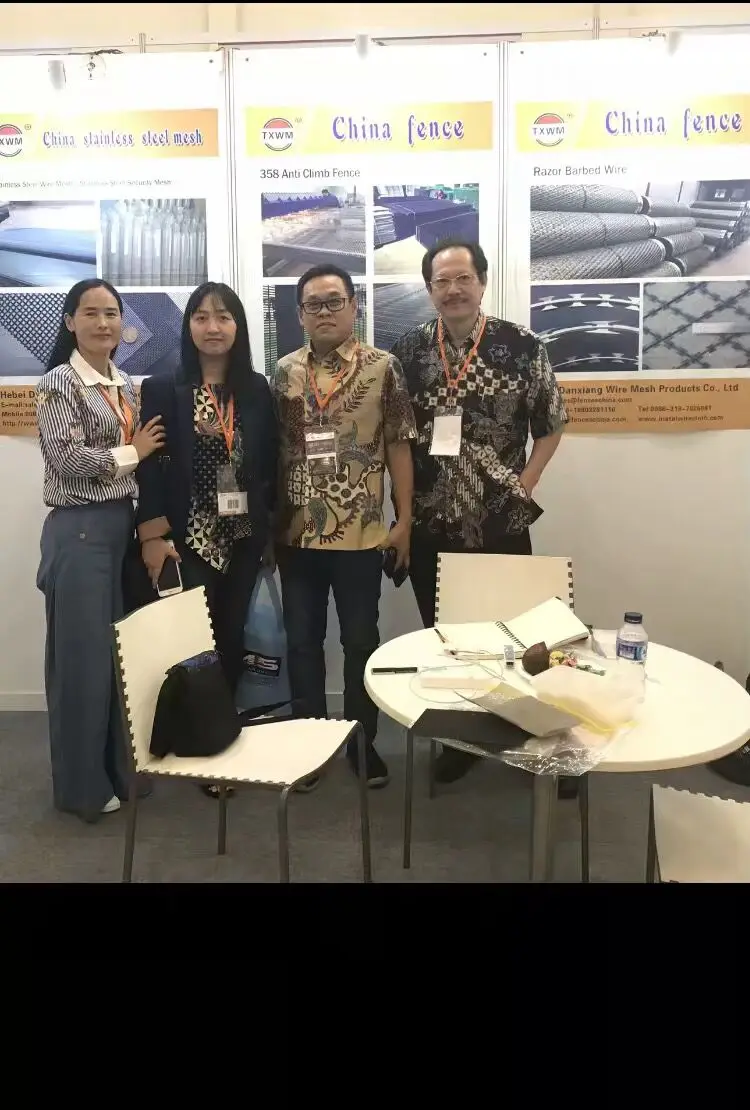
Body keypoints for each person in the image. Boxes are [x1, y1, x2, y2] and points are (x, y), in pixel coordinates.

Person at [392, 238, 568, 784]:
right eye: (441, 281)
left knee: (515, 635)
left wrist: (524, 484)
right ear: (429, 289)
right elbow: (398, 440)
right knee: (446, 635)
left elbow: (552, 424)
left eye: (462, 278)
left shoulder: (523, 346)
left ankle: (530, 737)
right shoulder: (408, 351)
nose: (453, 290)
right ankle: (463, 739)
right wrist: (401, 516)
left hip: (500, 518)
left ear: (482, 282)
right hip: (431, 520)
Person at [272, 263, 416, 789]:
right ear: (300, 315)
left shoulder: (383, 367)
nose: (325, 312)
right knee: (302, 642)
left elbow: (398, 445)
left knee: (360, 642)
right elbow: (273, 453)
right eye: (314, 304)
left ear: (354, 306)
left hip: (361, 534)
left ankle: (361, 742)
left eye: (335, 301)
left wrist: (405, 520)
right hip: (296, 535)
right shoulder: (284, 371)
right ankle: (307, 743)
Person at [135, 283, 278, 797]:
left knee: (233, 636)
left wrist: (270, 530)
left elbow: (270, 463)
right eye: (201, 317)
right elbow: (150, 465)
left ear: (238, 326)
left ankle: (226, 731)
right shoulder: (162, 387)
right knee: (197, 643)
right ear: (188, 325)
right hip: (188, 537)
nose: (212, 327)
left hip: (241, 536)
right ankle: (200, 740)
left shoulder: (256, 389)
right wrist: (152, 532)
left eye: (223, 317)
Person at [36, 279, 166, 823]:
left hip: (120, 527)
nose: (103, 323)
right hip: (81, 531)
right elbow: (65, 459)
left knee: (119, 659)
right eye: (90, 313)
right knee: (83, 665)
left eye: (111, 313)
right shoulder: (59, 382)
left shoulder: (124, 382)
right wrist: (131, 453)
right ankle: (82, 788)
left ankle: (120, 768)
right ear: (70, 322)